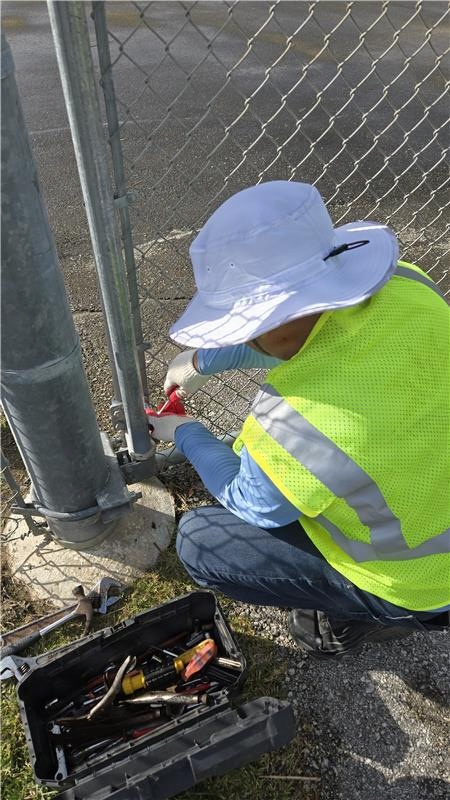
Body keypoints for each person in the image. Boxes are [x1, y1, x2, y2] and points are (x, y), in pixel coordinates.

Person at [149, 181, 450, 659]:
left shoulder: (296, 424)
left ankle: (377, 615)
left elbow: (255, 503)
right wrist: (205, 362)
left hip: (423, 579)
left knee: (200, 542)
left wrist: (187, 434)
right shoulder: (408, 286)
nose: (245, 342)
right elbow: (328, 340)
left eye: (246, 330)